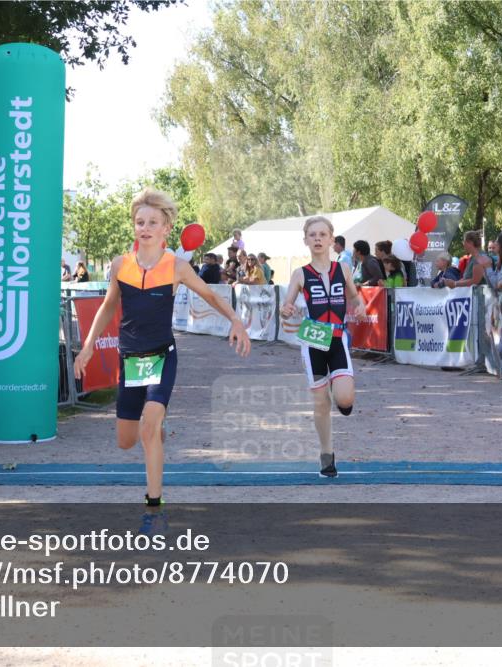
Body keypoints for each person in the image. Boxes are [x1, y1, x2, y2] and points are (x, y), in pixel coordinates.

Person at [74, 188, 251, 532]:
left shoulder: (177, 267)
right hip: (129, 359)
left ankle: (153, 509)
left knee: (148, 428)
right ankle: (154, 428)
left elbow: (211, 295)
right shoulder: (119, 266)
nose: (145, 227)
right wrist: (88, 345)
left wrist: (236, 320)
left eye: (153, 222)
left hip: (161, 357)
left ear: (166, 227)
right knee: (126, 440)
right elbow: (109, 305)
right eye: (140, 222)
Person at [280, 215, 366, 478]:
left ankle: (342, 396)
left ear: (331, 239)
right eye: (312, 235)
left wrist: (360, 305)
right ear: (305, 240)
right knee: (320, 403)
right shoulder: (300, 274)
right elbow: (286, 308)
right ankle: (326, 456)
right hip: (314, 339)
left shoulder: (343, 270)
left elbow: (353, 296)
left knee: (345, 399)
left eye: (322, 235)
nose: (317, 239)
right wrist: (287, 310)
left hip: (337, 339)